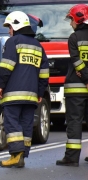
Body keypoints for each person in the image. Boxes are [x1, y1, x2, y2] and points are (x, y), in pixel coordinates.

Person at [0, 11, 49, 168]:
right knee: (26, 124)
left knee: (12, 123)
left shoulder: (13, 42)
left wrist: (0, 86)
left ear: (16, 26)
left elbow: (6, 66)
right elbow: (44, 72)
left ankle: (15, 155)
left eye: (10, 27)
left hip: (13, 94)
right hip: (32, 95)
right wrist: (40, 92)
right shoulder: (38, 46)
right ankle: (22, 156)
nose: (8, 31)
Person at [56, 4, 88, 167]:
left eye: (71, 20)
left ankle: (72, 157)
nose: (70, 23)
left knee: (74, 121)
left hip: (76, 87)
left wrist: (86, 79)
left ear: (78, 18)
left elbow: (77, 62)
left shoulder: (74, 38)